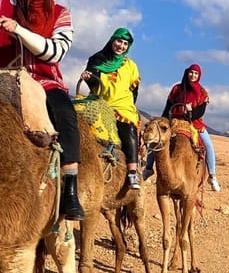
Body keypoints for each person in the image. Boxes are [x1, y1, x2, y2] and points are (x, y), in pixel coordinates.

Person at [0, 0, 85, 220]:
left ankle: (69, 190)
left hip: (44, 82)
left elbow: (55, 52)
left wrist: (18, 30)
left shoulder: (60, 13)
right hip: (1, 80)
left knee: (66, 116)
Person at [80, 27, 142, 190]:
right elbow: (94, 81)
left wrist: (127, 106)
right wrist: (88, 78)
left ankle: (132, 172)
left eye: (125, 43)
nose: (121, 46)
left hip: (123, 107)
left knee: (129, 131)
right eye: (119, 41)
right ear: (112, 40)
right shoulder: (97, 59)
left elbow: (134, 91)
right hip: (99, 102)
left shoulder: (131, 66)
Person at [144, 63, 221, 191]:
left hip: (194, 123)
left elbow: (200, 112)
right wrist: (163, 120)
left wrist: (190, 113)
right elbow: (168, 107)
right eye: (191, 72)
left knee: (208, 145)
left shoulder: (202, 92)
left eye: (196, 73)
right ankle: (148, 168)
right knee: (157, 140)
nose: (193, 75)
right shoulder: (176, 89)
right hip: (174, 121)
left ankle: (212, 176)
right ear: (187, 73)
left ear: (199, 76)